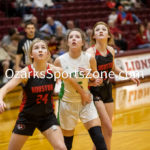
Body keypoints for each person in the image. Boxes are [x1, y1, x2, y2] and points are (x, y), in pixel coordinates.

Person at [0, 39, 91, 150]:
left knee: (61, 148)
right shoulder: (25, 73)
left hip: (47, 117)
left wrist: (83, 93)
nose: (40, 50)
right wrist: (0, 99)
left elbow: (71, 81)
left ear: (48, 54)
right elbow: (4, 88)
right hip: (27, 117)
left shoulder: (54, 70)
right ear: (31, 54)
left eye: (43, 48)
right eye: (37, 48)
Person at [86, 21, 140, 150]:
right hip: (94, 92)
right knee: (107, 128)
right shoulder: (90, 52)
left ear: (108, 35)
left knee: (107, 131)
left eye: (103, 29)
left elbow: (114, 68)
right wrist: (91, 81)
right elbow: (83, 75)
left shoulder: (111, 50)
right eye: (97, 29)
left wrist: (128, 75)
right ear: (93, 36)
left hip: (107, 89)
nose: (100, 31)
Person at [54, 28, 107, 150]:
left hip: (86, 102)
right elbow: (56, 81)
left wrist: (92, 78)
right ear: (67, 42)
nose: (74, 39)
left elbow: (97, 78)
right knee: (67, 144)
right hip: (67, 103)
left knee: (99, 138)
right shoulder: (59, 61)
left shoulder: (89, 58)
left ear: (83, 42)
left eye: (77, 37)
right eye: (71, 37)